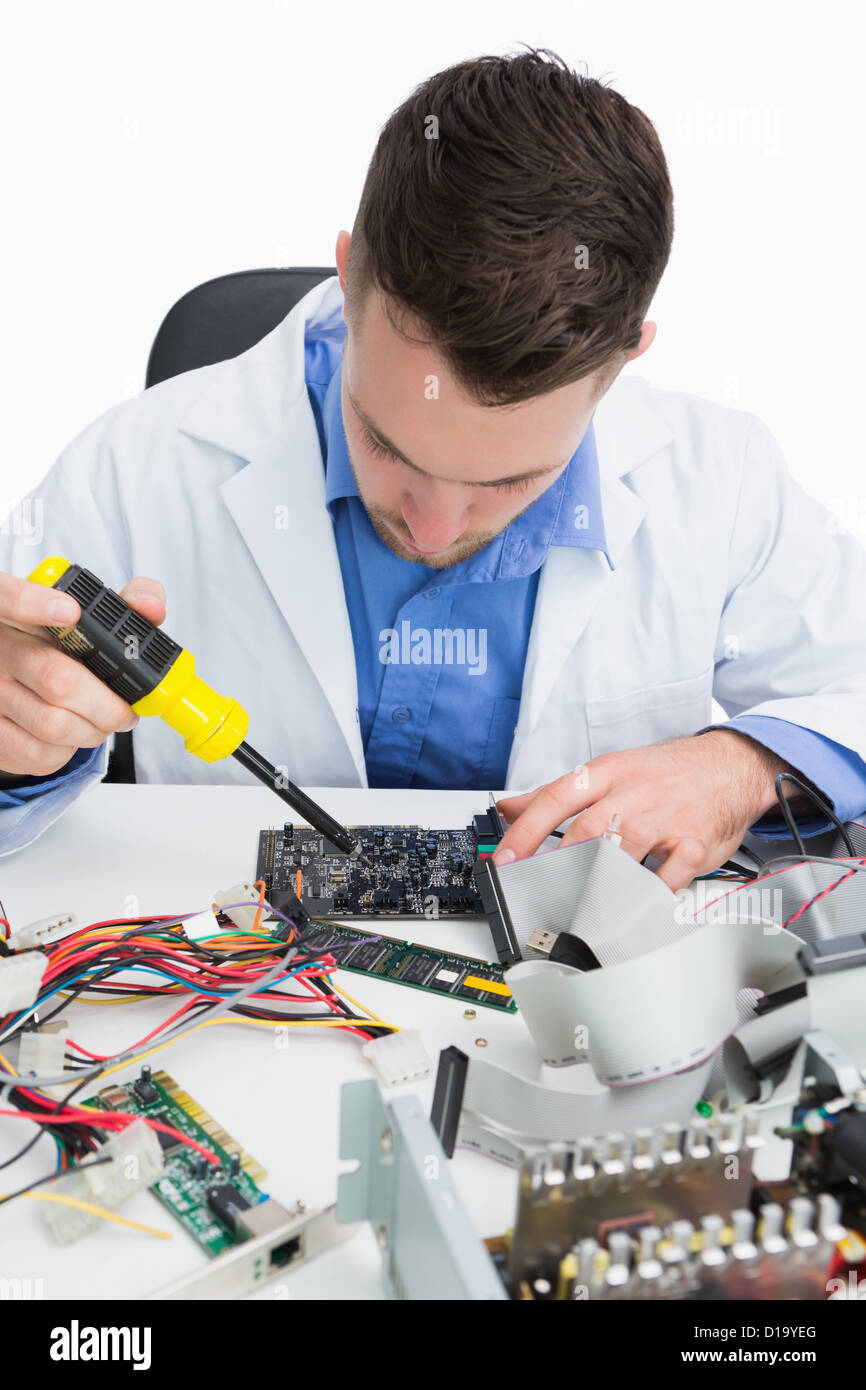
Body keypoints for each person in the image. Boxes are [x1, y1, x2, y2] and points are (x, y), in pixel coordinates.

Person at [2, 49, 865, 889]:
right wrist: (15, 748)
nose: (432, 529)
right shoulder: (134, 469)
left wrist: (741, 762)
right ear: (348, 277)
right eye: (386, 446)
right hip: (230, 995)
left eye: (511, 483)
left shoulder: (722, 479)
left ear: (624, 357)